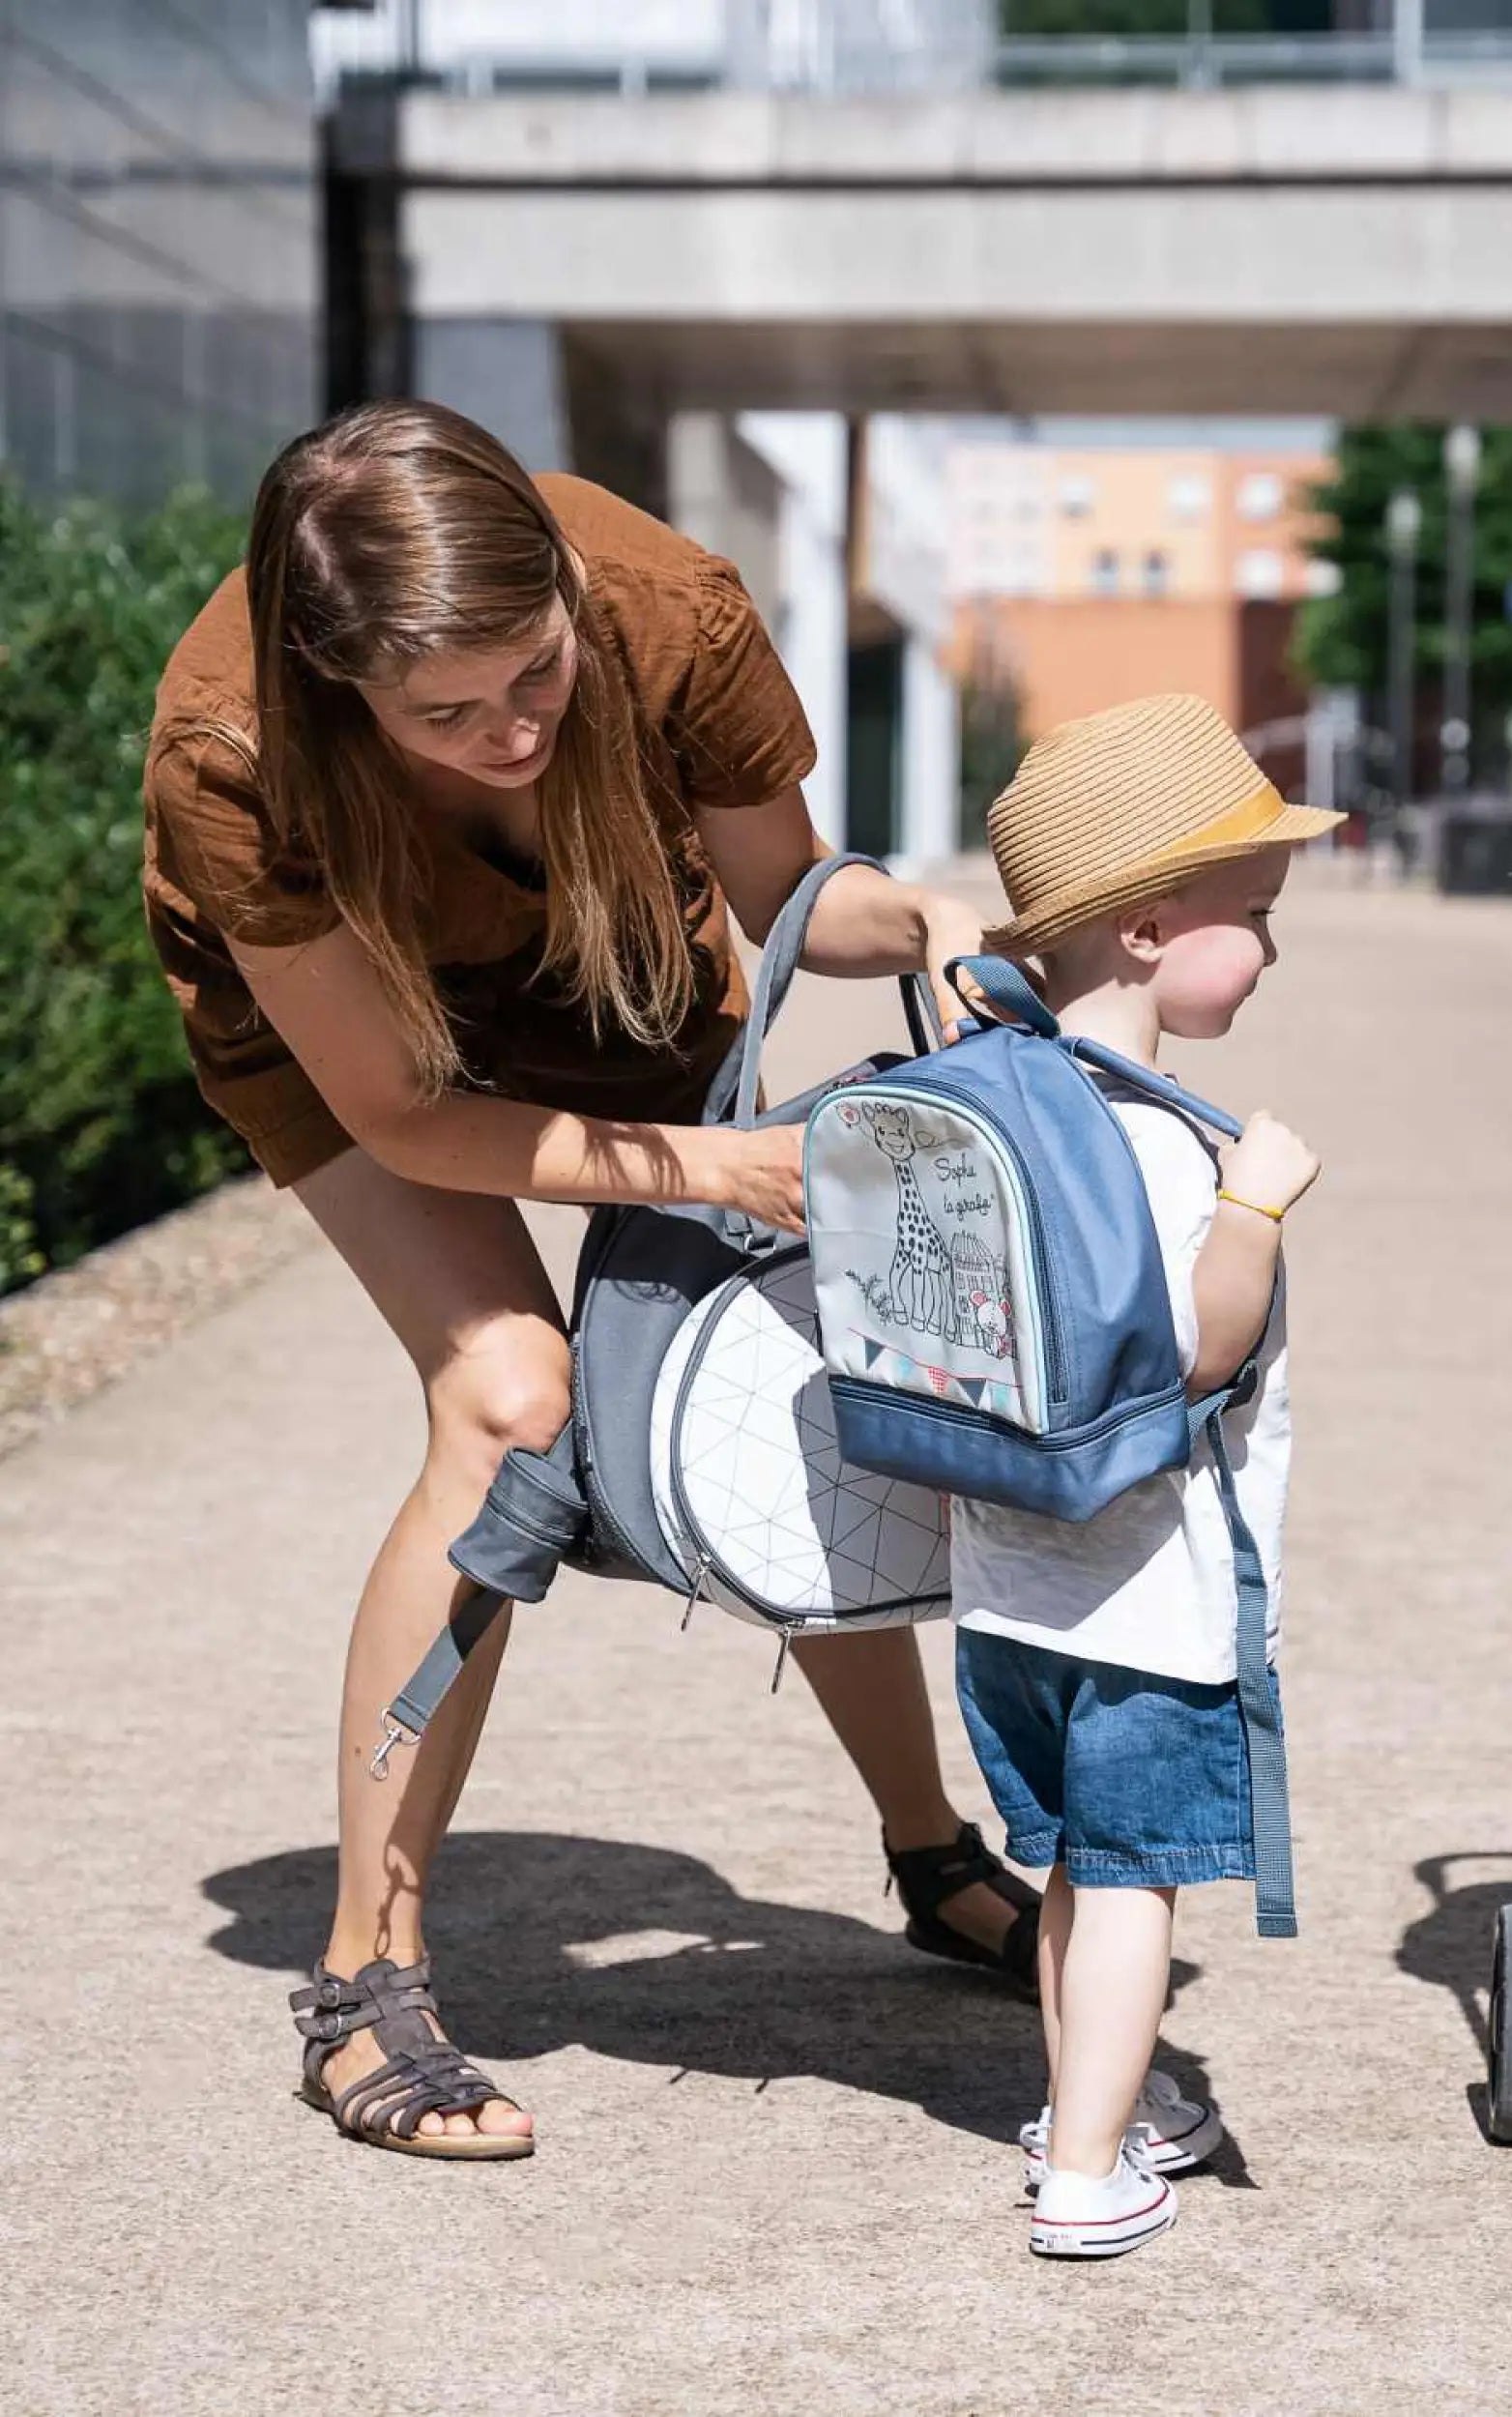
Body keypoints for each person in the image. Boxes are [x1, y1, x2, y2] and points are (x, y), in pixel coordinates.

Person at [142, 402, 1036, 2162]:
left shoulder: (665, 610)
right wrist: (717, 1168)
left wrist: (956, 933)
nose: (512, 731)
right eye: (444, 715)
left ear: (564, 594)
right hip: (352, 1041)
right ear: (337, 682)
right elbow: (407, 1112)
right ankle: (363, 1977)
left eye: (534, 675)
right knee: (510, 1399)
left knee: (783, 1364)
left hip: (610, 950)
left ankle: (929, 1853)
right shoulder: (232, 754)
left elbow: (785, 896)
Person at [945, 695, 1339, 2257]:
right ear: (1152, 930)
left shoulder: (1009, 1102)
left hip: (1013, 1587)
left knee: (1074, 1873)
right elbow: (1190, 1353)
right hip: (1146, 1601)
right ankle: (1089, 2168)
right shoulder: (1169, 1146)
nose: (1272, 951)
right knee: (1130, 1891)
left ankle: (1080, 2105)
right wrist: (1257, 1209)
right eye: (1255, 919)